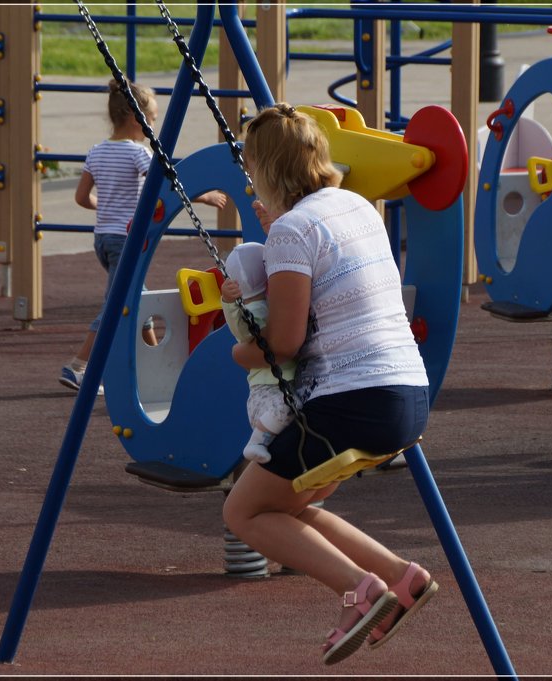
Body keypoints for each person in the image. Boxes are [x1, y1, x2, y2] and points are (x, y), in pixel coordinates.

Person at [222, 103, 437, 666]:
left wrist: (238, 351)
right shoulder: (356, 206)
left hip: (352, 401)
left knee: (243, 513)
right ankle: (401, 577)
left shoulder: (292, 229)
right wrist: (280, 236)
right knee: (289, 508)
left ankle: (360, 591)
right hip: (408, 396)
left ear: (267, 173)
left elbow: (283, 344)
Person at [60, 80, 227, 393]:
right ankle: (79, 366)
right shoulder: (138, 154)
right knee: (116, 304)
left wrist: (105, 207)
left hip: (103, 240)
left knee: (135, 299)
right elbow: (167, 183)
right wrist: (204, 197)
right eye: (151, 118)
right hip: (127, 240)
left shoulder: (97, 152)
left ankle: (154, 366)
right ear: (137, 120)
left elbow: (82, 198)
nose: (153, 125)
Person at [219, 242, 297, 464]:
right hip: (267, 391)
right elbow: (244, 330)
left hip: (282, 385)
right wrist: (229, 303)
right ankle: (257, 442)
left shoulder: (270, 304)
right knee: (288, 407)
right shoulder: (252, 310)